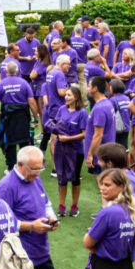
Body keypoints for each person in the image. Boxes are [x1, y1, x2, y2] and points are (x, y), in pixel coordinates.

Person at [0, 62, 40, 171]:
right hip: (22, 116)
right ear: (17, 71)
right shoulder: (24, 83)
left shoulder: (0, 84)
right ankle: (25, 167)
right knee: (24, 141)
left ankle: (11, 167)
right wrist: (35, 117)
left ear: (5, 71)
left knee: (10, 142)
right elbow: (31, 101)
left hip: (8, 117)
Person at [50, 86, 87, 218]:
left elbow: (84, 134)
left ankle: (74, 206)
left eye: (69, 95)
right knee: (62, 178)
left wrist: (68, 138)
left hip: (76, 151)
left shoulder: (82, 113)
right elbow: (56, 126)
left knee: (75, 179)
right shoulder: (61, 109)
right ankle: (61, 206)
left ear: (76, 97)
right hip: (61, 149)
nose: (66, 97)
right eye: (66, 95)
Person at [85, 77, 116, 173]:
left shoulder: (100, 108)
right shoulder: (107, 103)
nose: (87, 88)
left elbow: (98, 135)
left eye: (89, 86)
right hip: (107, 151)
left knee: (103, 184)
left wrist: (90, 154)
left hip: (100, 154)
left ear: (95, 89)